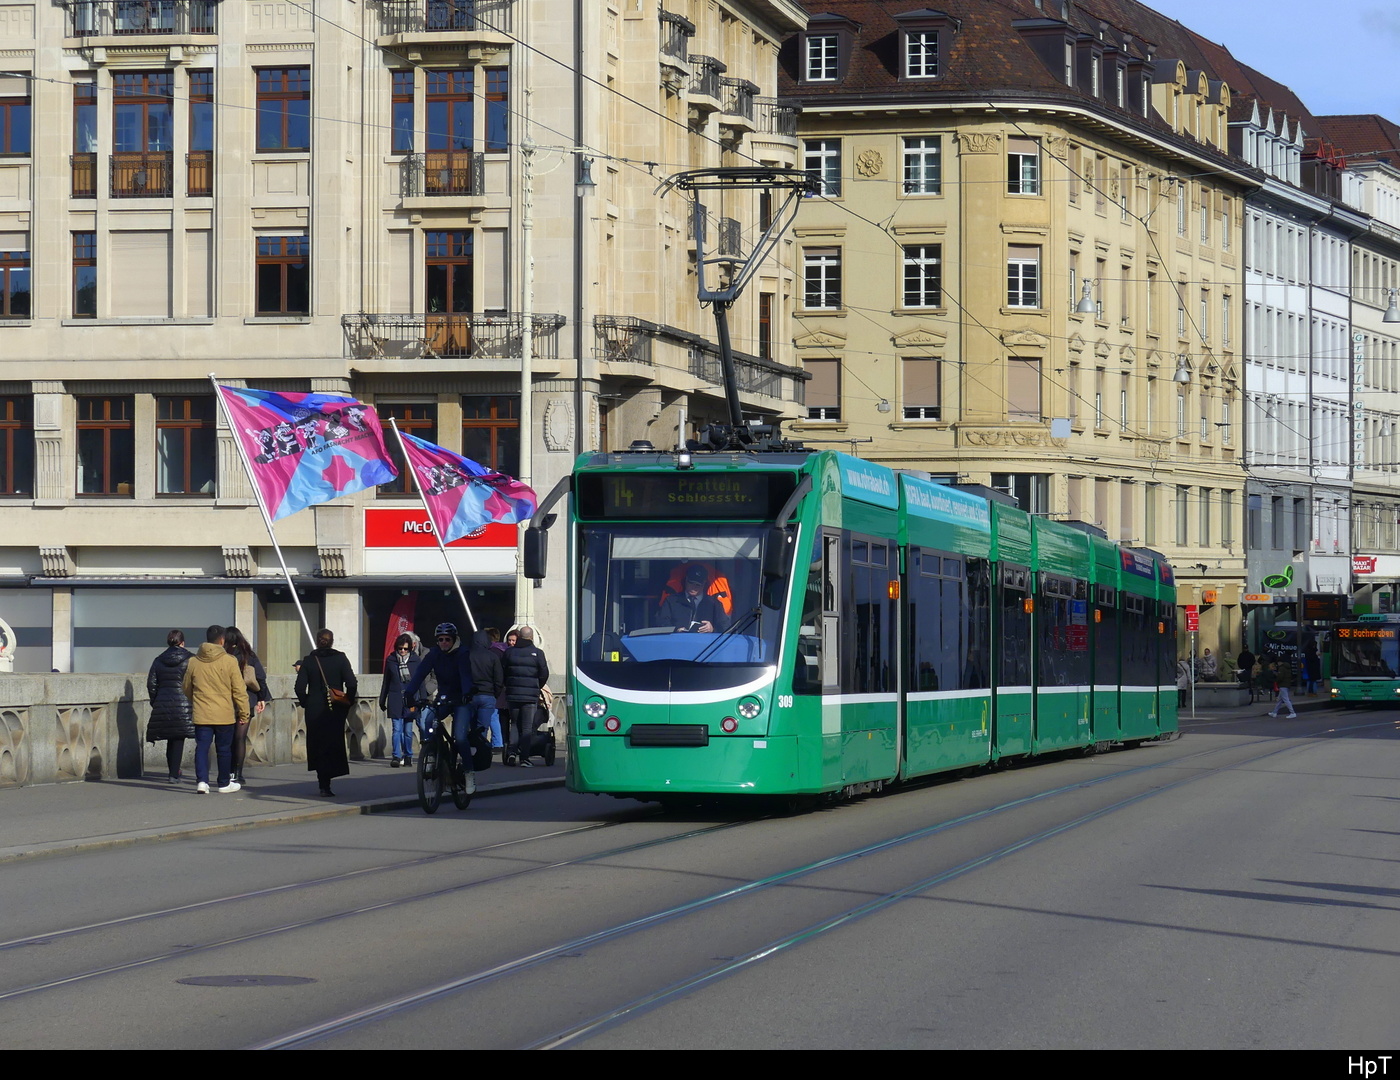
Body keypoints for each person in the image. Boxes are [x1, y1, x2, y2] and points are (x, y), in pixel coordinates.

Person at [403, 621, 475, 794]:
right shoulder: (434, 654)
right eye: (440, 639)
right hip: (444, 697)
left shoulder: (462, 653)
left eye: (447, 639)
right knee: (429, 721)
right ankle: (433, 755)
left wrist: (467, 692)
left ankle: (469, 773)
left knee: (460, 738)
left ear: (454, 639)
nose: (444, 643)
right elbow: (420, 673)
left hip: (461, 699)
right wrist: (409, 693)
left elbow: (466, 675)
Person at [181, 624, 250, 794]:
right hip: (224, 713)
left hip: (202, 712)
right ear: (222, 640)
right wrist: (244, 713)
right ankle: (223, 783)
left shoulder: (194, 661)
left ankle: (202, 782)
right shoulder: (229, 661)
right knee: (224, 749)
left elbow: (186, 687)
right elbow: (239, 690)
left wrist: (197, 699)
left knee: (202, 747)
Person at [295, 628, 356, 797]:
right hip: (335, 708)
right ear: (332, 641)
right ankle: (329, 780)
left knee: (318, 744)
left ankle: (323, 783)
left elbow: (299, 688)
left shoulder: (309, 660)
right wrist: (348, 701)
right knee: (333, 743)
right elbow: (352, 683)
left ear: (317, 641)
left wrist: (306, 702)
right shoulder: (341, 658)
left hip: (314, 709)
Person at [146, 629, 195, 783]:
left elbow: (151, 684)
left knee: (170, 737)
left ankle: (173, 771)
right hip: (184, 703)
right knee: (178, 737)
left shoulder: (158, 660)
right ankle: (174, 773)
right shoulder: (191, 659)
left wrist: (156, 701)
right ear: (183, 643)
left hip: (163, 703)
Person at [222, 626, 268, 786]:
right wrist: (262, 697)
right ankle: (237, 773)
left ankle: (226, 772)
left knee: (227, 738)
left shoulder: (223, 655)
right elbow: (260, 678)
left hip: (226, 700)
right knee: (240, 738)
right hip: (246, 700)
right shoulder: (249, 655)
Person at [502, 625, 549, 767]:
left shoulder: (509, 652)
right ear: (532, 637)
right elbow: (544, 673)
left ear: (520, 637)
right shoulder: (538, 653)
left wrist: (508, 685)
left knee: (514, 724)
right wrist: (537, 686)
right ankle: (524, 758)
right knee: (527, 727)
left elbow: (503, 671)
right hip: (530, 695)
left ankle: (511, 753)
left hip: (513, 694)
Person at [379, 633, 420, 768]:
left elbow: (420, 681)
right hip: (395, 698)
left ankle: (408, 756)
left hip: (410, 699)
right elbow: (386, 682)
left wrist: (422, 698)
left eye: (405, 649)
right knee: (397, 729)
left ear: (410, 649)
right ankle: (396, 756)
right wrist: (382, 699)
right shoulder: (391, 660)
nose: (402, 651)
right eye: (400, 648)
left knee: (408, 730)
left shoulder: (415, 661)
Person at [658, 564, 731, 633]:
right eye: (691, 583)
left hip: (706, 641)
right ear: (686, 580)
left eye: (698, 585)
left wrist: (712, 629)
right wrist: (676, 630)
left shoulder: (714, 604)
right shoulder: (671, 601)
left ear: (704, 583)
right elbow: (661, 623)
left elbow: (726, 628)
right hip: (677, 640)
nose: (693, 587)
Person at [467, 628, 505, 754]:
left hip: (471, 695)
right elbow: (499, 679)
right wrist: (495, 694)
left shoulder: (467, 655)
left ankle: (471, 751)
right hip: (488, 695)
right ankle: (481, 752)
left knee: (471, 725)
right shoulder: (492, 657)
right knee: (483, 727)